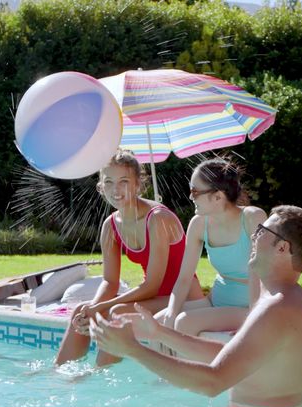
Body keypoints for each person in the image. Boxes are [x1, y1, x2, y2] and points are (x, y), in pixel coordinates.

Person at [92, 205, 302, 407]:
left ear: (282, 248)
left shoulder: (278, 308)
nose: (253, 237)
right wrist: (159, 333)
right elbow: (228, 357)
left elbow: (214, 382)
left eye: (262, 231)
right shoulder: (283, 299)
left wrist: (134, 350)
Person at [56, 148, 204, 366]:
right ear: (100, 187)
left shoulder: (157, 219)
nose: (116, 189)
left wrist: (99, 308)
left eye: (124, 181)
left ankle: (99, 378)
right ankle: (61, 375)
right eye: (108, 182)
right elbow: (109, 281)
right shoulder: (110, 226)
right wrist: (92, 308)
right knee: (81, 310)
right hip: (153, 299)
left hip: (183, 298)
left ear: (137, 184)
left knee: (117, 312)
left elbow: (152, 285)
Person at [156, 157, 267, 336]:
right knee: (157, 323)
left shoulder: (253, 218)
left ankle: (188, 365)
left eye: (195, 191)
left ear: (218, 196)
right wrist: (171, 311)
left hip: (250, 306)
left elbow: (265, 273)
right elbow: (184, 278)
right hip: (216, 301)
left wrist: (253, 319)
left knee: (184, 322)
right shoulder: (198, 224)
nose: (191, 196)